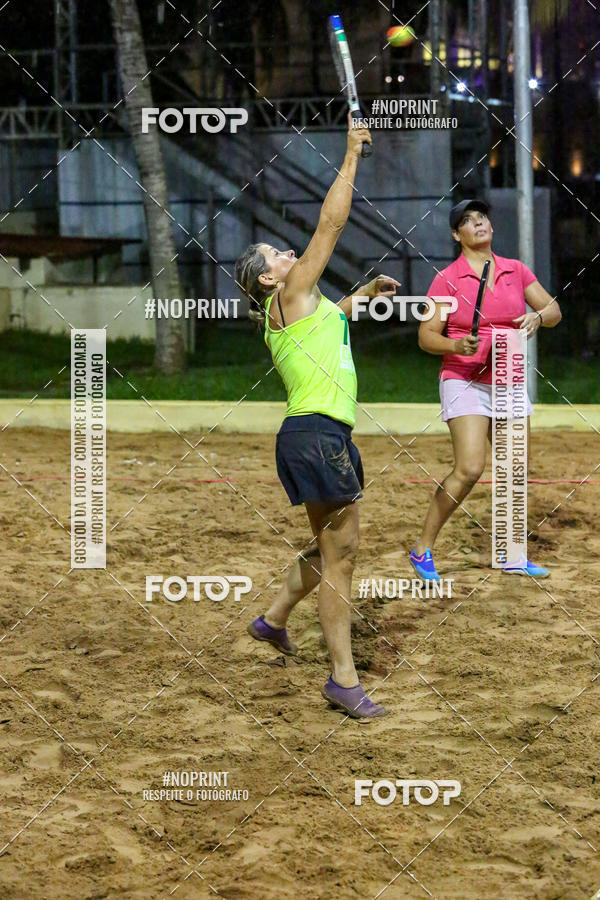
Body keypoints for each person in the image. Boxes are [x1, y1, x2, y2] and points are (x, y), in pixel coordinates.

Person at [235, 116, 399, 718]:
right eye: (275, 254)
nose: (287, 252)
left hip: (312, 436)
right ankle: (343, 680)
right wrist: (350, 153)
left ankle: (274, 620)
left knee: (329, 546)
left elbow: (327, 326)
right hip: (318, 436)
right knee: (342, 556)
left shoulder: (301, 308)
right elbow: (332, 222)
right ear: (268, 279)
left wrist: (359, 298)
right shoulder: (290, 292)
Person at [410, 198, 561, 581]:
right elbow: (427, 337)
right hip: (464, 378)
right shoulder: (447, 279)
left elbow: (555, 311)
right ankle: (422, 549)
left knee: (514, 469)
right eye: (468, 221)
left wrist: (538, 316)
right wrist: (454, 345)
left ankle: (512, 553)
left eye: (482, 217)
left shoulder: (515, 270)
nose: (479, 223)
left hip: (508, 376)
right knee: (471, 466)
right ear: (455, 235)